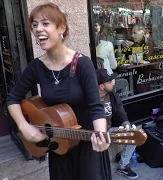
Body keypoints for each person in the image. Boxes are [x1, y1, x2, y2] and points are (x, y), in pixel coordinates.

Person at [6, 3, 111, 180]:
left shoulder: (82, 64)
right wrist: (24, 127)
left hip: (86, 143)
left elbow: (96, 107)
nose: (38, 29)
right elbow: (12, 99)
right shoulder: (36, 67)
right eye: (34, 25)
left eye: (45, 23)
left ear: (61, 27)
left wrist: (100, 135)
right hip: (58, 145)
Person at [96, 68, 138, 179]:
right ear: (101, 86)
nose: (113, 83)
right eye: (110, 81)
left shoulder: (111, 94)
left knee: (134, 135)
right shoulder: (92, 99)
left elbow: (120, 112)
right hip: (95, 134)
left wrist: (127, 126)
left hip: (109, 130)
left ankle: (123, 166)